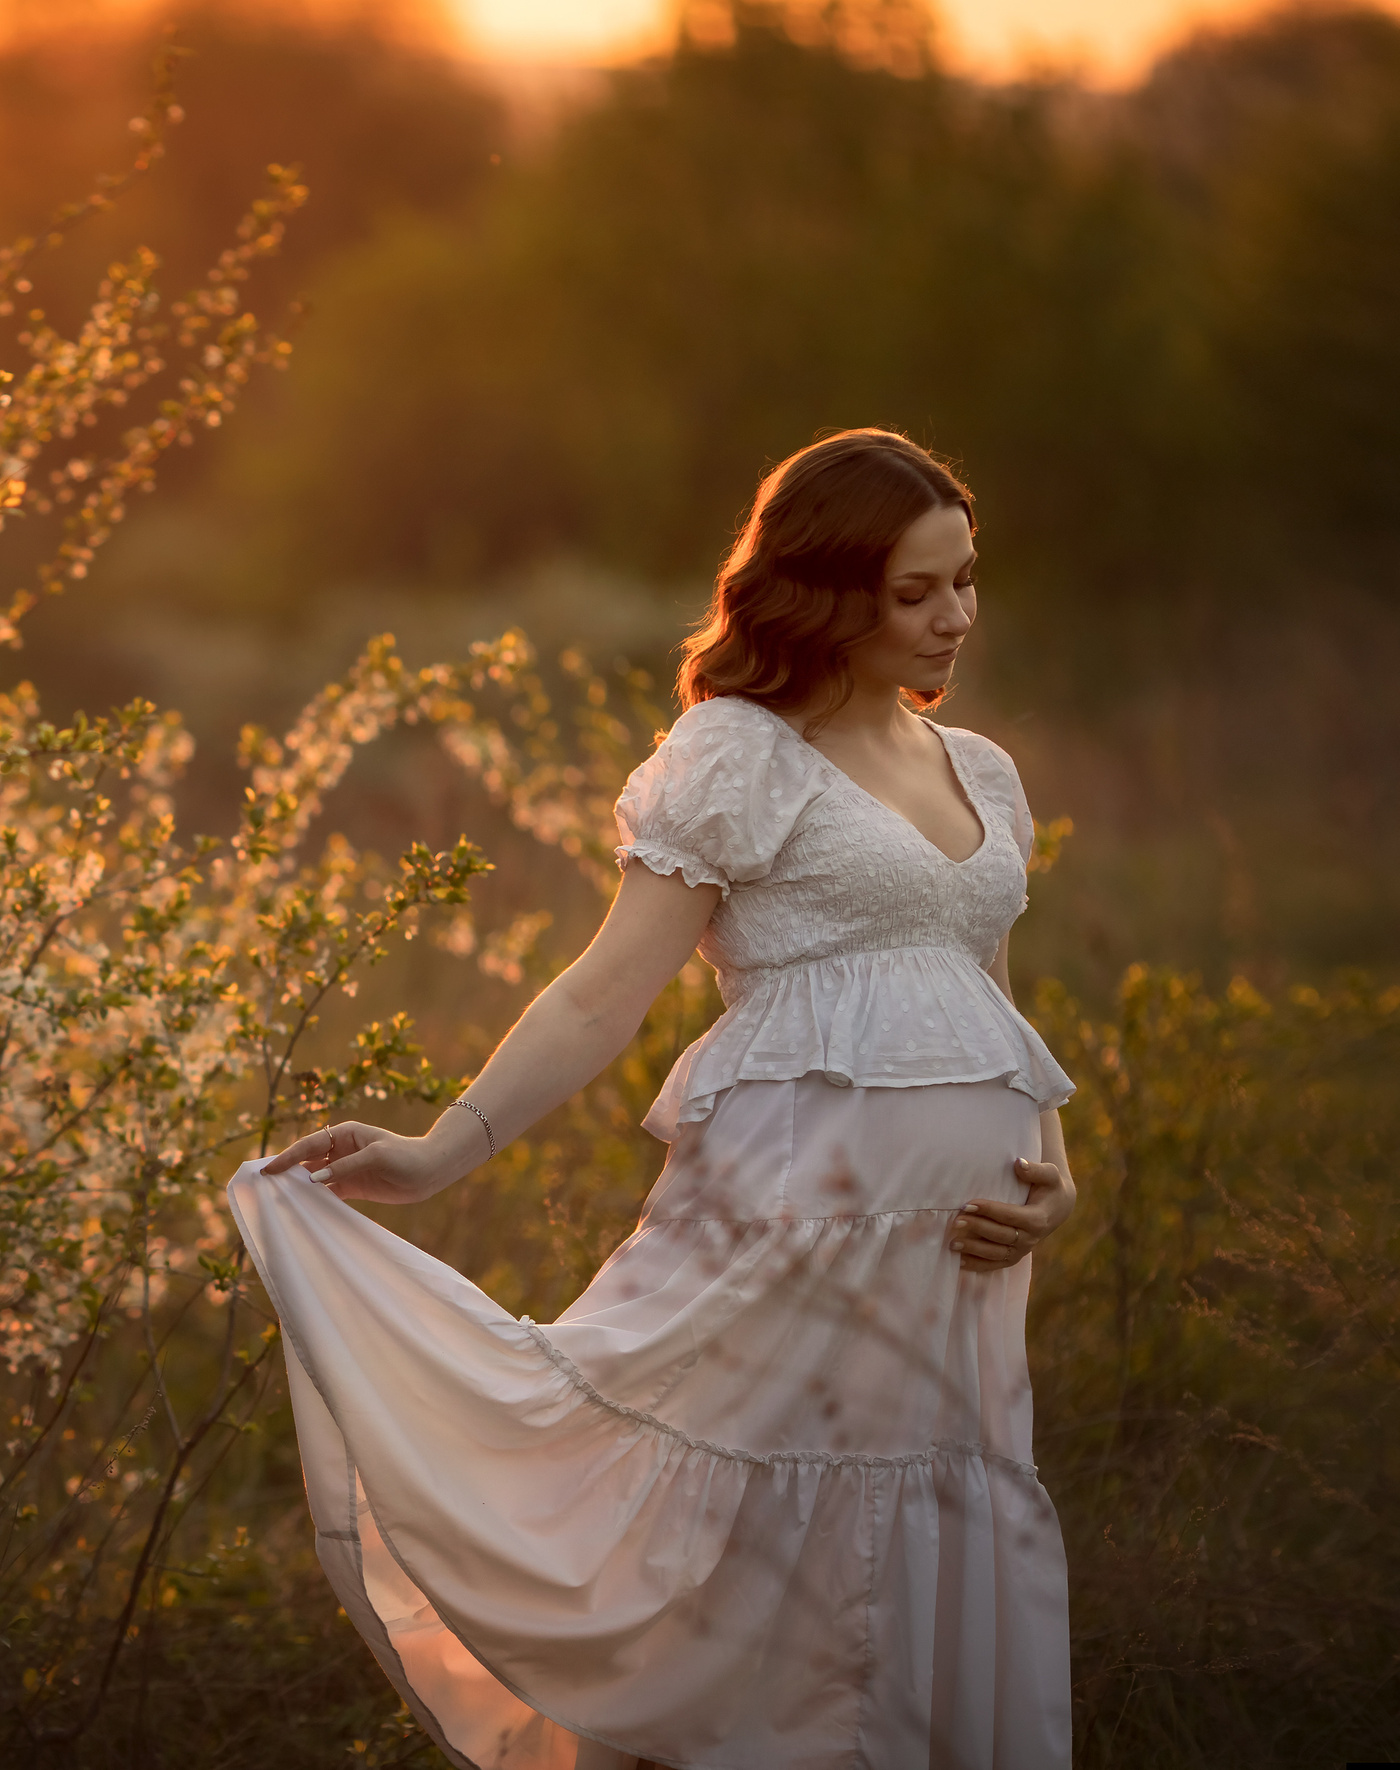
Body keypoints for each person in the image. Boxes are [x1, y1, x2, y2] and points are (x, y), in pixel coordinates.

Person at [225, 429, 1080, 1770]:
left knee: (914, 1552)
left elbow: (993, 1001)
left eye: (967, 581)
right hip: (779, 1233)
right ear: (829, 593)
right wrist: (439, 1150)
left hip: (952, 1275)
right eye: (917, 593)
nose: (955, 618)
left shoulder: (983, 770)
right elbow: (599, 993)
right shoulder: (738, 752)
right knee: (727, 1570)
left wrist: (1050, 1162)